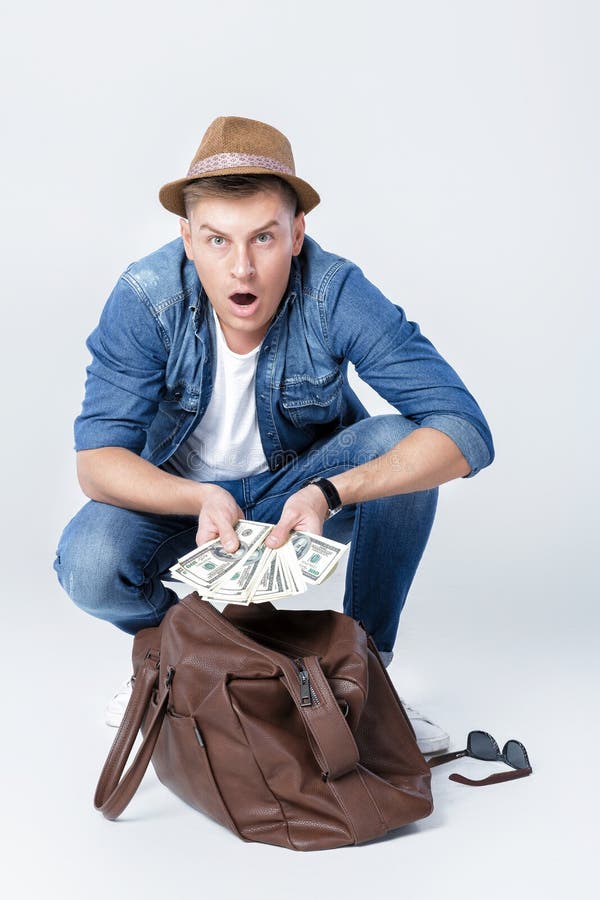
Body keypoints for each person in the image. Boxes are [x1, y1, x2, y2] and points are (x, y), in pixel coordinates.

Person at [53, 116, 494, 754]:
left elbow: (463, 429)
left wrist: (329, 492)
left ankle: (362, 682)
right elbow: (97, 462)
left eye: (263, 237)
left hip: (301, 495)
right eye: (216, 240)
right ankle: (177, 663)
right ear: (186, 237)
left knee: (398, 442)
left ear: (296, 233)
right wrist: (197, 499)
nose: (241, 269)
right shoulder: (145, 297)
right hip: (190, 507)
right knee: (90, 562)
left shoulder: (335, 291)